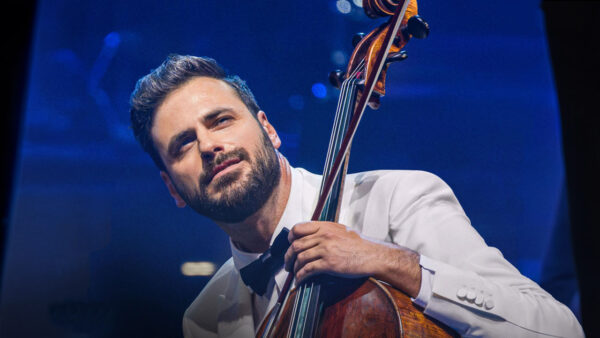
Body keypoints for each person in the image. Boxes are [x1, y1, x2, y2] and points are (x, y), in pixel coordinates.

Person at [129, 54, 584, 337]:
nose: (209, 145)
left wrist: (393, 263)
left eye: (221, 120)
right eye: (183, 144)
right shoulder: (205, 318)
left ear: (267, 129)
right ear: (173, 188)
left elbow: (558, 330)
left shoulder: (397, 199)